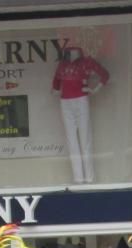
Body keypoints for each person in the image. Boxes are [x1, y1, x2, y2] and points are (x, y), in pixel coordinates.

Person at [52, 46, 109, 184]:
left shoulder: (86, 62)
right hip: (66, 102)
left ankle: (89, 178)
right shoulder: (62, 65)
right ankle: (78, 178)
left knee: (85, 140)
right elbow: (55, 85)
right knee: (72, 141)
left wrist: (94, 89)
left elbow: (105, 75)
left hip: (81, 100)